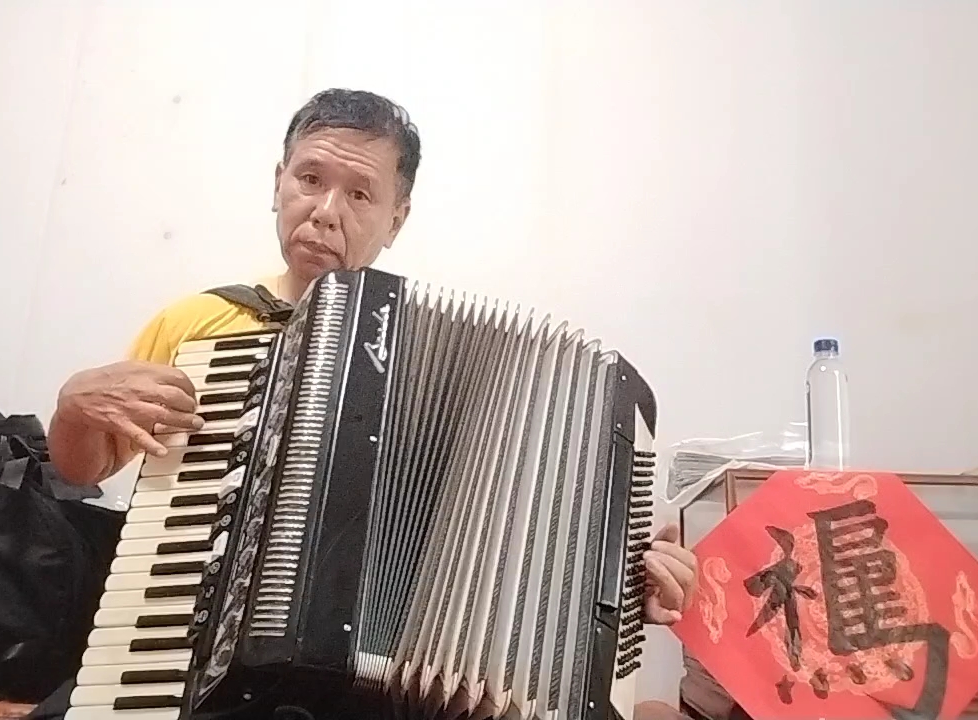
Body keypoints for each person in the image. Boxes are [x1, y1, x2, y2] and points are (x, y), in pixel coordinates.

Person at [46, 88, 696, 625]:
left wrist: (620, 575)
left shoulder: (446, 368)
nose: (325, 212)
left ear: (396, 220)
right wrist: (73, 408)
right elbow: (85, 468)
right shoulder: (199, 324)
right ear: (278, 184)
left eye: (360, 194)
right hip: (183, 638)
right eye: (309, 179)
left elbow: (509, 530)